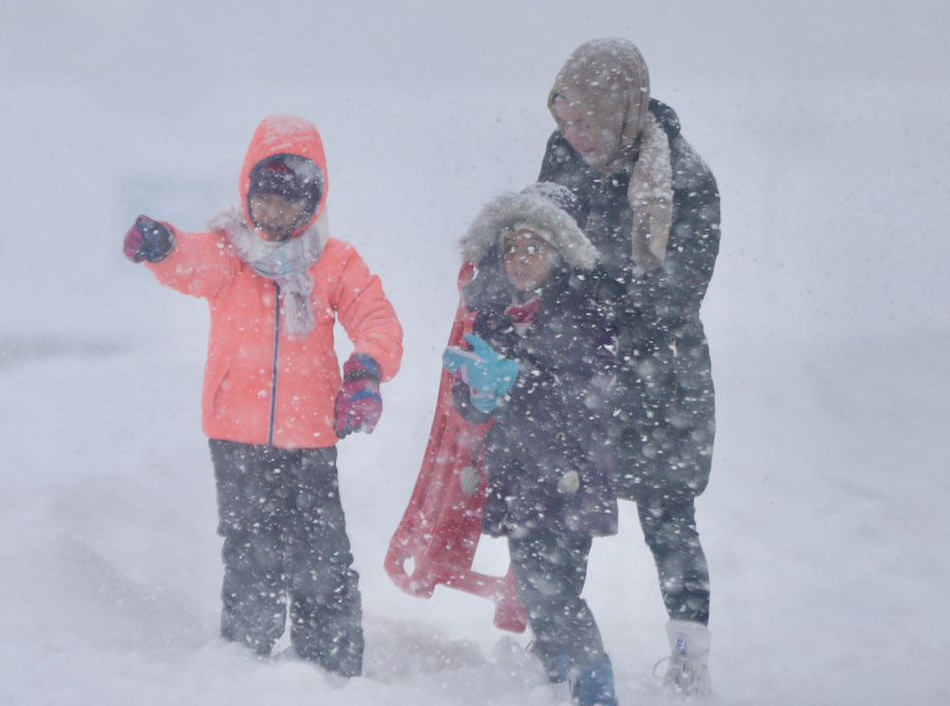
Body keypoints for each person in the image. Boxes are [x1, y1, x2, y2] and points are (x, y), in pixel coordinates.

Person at [121, 114, 403, 678]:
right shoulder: (229, 252)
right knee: (251, 551)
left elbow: (376, 317)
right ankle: (244, 661)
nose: (272, 213)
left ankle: (331, 668)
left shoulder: (335, 262)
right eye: (263, 198)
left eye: (287, 203)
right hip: (236, 432)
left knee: (321, 552)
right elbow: (190, 260)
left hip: (310, 435)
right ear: (247, 192)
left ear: (314, 204)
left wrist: (366, 370)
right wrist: (162, 244)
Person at [537, 38, 721, 696]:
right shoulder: (563, 155)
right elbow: (542, 233)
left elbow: (673, 293)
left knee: (668, 519)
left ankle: (688, 658)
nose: (573, 135)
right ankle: (557, 645)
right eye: (564, 121)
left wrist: (587, 289)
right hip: (580, 371)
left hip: (660, 378)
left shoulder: (687, 181)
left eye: (585, 120)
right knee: (562, 506)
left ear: (621, 109)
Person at [444, 183, 620, 706]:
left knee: (557, 583)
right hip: (519, 471)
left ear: (560, 251)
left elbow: (593, 387)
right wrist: (475, 388)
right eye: (512, 247)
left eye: (534, 247)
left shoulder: (584, 312)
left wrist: (517, 378)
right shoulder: (496, 312)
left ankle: (593, 679)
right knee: (542, 579)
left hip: (571, 473)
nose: (520, 259)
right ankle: (557, 659)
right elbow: (475, 403)